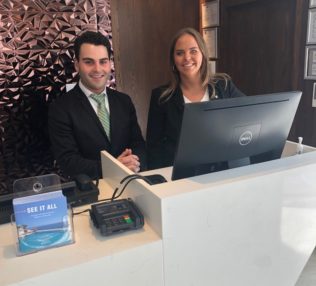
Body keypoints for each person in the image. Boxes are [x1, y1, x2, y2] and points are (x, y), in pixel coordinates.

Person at [48, 31, 146, 179]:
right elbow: (68, 162)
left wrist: (133, 162)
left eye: (103, 61)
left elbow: (138, 144)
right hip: (91, 192)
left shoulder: (124, 101)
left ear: (110, 63)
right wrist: (114, 167)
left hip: (130, 182)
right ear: (77, 65)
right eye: (89, 62)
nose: (98, 69)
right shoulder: (61, 108)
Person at [146, 27, 245, 170]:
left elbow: (249, 117)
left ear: (203, 54)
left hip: (223, 172)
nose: (187, 58)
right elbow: (153, 148)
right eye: (180, 53)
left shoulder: (224, 86)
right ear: (173, 59)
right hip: (181, 177)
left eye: (193, 51)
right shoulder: (161, 97)